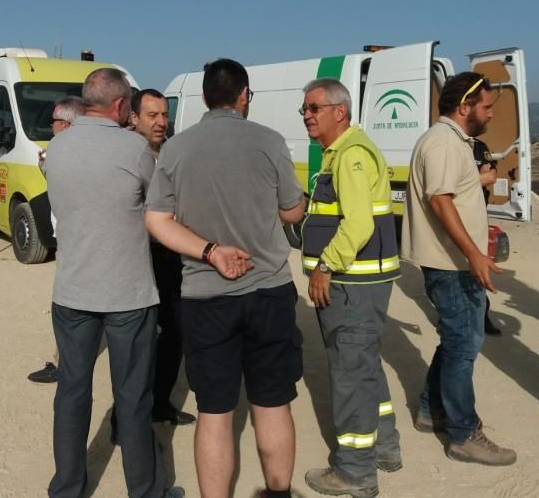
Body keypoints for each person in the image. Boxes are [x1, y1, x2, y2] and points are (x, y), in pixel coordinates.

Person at [145, 58, 305, 498]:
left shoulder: (177, 149)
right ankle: (278, 491)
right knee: (272, 406)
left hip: (205, 295)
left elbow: (157, 220)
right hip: (268, 289)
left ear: (202, 99)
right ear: (244, 96)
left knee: (215, 412)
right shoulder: (269, 141)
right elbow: (292, 210)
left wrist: (211, 252)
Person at [46, 68, 180, 498]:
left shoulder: (58, 147)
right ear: (123, 106)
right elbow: (159, 207)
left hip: (72, 289)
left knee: (71, 392)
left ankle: (66, 487)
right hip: (128, 293)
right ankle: (145, 490)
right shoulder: (134, 148)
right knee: (133, 397)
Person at [401, 72, 516, 466]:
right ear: (464, 107)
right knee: (464, 345)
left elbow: (455, 195)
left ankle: (429, 409)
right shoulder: (443, 143)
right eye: (486, 106)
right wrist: (473, 254)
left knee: (456, 341)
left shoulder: (453, 142)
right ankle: (463, 433)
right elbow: (441, 201)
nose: (489, 114)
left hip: (453, 261)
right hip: (450, 264)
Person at [298, 78, 402, 498]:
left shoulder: (351, 156)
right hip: (360, 281)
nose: (307, 115)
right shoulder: (340, 153)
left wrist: (325, 266)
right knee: (364, 367)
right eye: (303, 109)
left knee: (349, 374)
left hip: (351, 283)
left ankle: (355, 471)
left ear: (339, 111)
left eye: (314, 108)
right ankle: (385, 448)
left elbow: (357, 224)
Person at [131, 89, 195, 425]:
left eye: (164, 115)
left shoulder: (173, 152)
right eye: (152, 115)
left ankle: (161, 404)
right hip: (138, 256)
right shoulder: (128, 156)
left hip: (171, 256)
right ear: (134, 118)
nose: (160, 122)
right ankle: (124, 421)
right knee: (140, 343)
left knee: (175, 333)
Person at [28, 96, 85, 385]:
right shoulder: (90, 150)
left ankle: (64, 365)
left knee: (67, 307)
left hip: (72, 241)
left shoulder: (60, 153)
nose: (51, 128)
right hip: (83, 238)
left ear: (65, 124)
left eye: (53, 122)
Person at [473, 138, 502, 336]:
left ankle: (482, 316)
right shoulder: (448, 144)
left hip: (477, 214)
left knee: (478, 266)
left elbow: (491, 176)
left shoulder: (480, 146)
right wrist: (477, 178)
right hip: (456, 214)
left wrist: (466, 180)